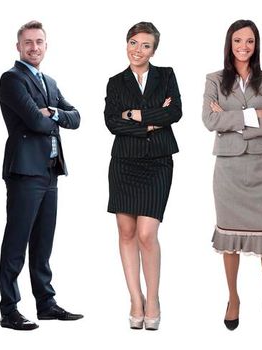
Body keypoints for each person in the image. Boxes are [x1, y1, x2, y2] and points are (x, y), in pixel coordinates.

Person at [201, 19, 262, 332]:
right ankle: (233, 299)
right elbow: (209, 120)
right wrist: (254, 114)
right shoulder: (214, 79)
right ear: (230, 43)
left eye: (249, 41)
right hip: (228, 170)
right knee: (229, 240)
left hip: (261, 169)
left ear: (256, 44)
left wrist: (231, 119)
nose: (243, 46)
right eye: (238, 40)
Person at [0, 20, 83, 331]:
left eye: (39, 42)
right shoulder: (11, 79)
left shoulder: (50, 82)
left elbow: (76, 117)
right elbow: (34, 122)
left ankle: (45, 303)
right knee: (16, 242)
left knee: (43, 242)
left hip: (50, 171)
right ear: (18, 46)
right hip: (24, 171)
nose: (34, 47)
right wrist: (46, 114)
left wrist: (53, 112)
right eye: (28, 42)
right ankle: (9, 309)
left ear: (46, 46)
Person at [103, 21, 180, 331]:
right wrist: (151, 120)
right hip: (124, 163)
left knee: (147, 234)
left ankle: (154, 299)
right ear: (126, 44)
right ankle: (136, 299)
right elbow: (111, 122)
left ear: (154, 50)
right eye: (134, 43)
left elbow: (174, 113)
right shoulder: (115, 82)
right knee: (125, 231)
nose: (138, 50)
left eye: (145, 45)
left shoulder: (167, 76)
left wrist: (133, 114)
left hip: (158, 162)